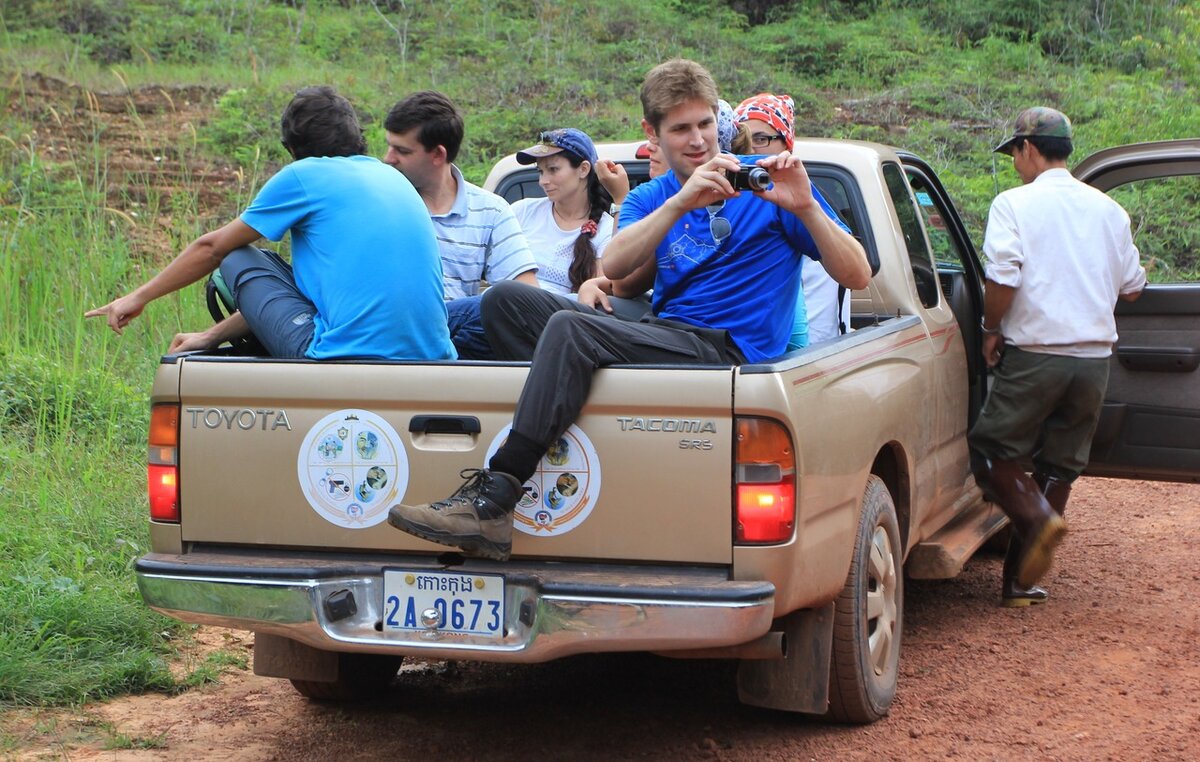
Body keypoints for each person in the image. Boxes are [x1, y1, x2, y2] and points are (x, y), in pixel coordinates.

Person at [385, 58, 871, 561]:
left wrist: (807, 206)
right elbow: (616, 262)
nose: (698, 140)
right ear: (653, 133)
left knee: (571, 329)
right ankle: (563, 418)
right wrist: (684, 201)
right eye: (680, 129)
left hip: (727, 354)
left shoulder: (768, 191)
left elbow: (857, 274)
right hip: (665, 337)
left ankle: (496, 495)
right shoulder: (653, 197)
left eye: (705, 124)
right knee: (504, 301)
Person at [87, 86, 454, 362]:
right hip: (433, 358)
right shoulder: (392, 178)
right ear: (356, 136)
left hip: (341, 359)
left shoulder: (305, 175)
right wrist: (212, 336)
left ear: (293, 150)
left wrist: (138, 296)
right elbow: (308, 296)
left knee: (237, 257)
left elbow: (212, 248)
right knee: (296, 277)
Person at [969, 106, 1146, 607]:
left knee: (989, 454)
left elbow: (1002, 279)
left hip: (1036, 356)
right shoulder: (1109, 211)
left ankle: (1042, 520)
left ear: (1027, 148)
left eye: (1014, 155)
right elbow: (1133, 289)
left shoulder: (1014, 204)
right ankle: (1021, 584)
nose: (1014, 165)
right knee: (1059, 466)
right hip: (1093, 363)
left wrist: (990, 328)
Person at [383, 90, 539, 359]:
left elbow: (526, 298)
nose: (388, 158)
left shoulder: (490, 210)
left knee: (501, 305)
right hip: (393, 332)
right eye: (389, 146)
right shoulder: (379, 204)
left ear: (438, 155)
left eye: (402, 151)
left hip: (457, 342)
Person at [735, 92, 850, 347]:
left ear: (786, 145)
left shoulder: (803, 205)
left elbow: (854, 272)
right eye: (741, 140)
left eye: (762, 139)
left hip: (809, 358)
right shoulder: (722, 201)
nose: (750, 150)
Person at [510, 128, 629, 295]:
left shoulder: (608, 231)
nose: (543, 181)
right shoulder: (521, 212)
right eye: (540, 171)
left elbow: (602, 294)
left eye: (553, 169)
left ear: (583, 169)